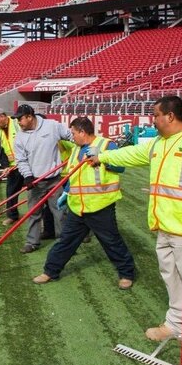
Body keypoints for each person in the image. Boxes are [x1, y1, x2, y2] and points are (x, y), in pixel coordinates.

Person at [87, 95, 182, 362]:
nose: (152, 120)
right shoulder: (158, 143)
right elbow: (131, 154)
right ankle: (176, 324)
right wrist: (103, 157)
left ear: (170, 116)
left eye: (155, 115)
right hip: (166, 226)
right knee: (172, 277)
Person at [32, 117, 135, 288]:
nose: (71, 137)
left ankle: (126, 274)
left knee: (111, 241)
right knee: (66, 241)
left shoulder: (106, 145)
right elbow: (75, 175)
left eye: (73, 133)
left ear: (82, 131)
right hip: (77, 207)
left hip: (100, 206)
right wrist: (66, 192)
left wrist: (102, 158)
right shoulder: (76, 149)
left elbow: (120, 167)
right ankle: (50, 271)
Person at [13, 104, 73, 253]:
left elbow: (72, 136)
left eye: (20, 119)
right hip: (35, 182)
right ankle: (32, 242)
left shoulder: (52, 126)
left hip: (54, 179)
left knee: (60, 212)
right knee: (33, 213)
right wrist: (27, 176)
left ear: (29, 116)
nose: (18, 122)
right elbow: (21, 160)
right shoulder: (20, 136)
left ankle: (64, 243)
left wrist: (83, 149)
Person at [0, 107, 24, 226]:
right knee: (11, 191)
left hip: (26, 164)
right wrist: (5, 166)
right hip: (12, 167)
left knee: (37, 191)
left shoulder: (16, 122)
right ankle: (12, 215)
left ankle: (44, 218)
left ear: (1, 117)